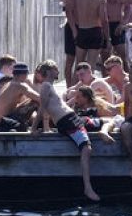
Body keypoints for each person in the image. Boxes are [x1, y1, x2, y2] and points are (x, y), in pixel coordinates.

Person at [31, 59, 102, 202]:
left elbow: (51, 108)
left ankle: (103, 131)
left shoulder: (49, 86)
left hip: (71, 119)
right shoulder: (45, 85)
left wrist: (46, 128)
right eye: (56, 68)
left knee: (98, 123)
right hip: (68, 121)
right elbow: (43, 107)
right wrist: (33, 128)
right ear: (50, 71)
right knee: (86, 148)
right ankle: (87, 188)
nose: (59, 71)